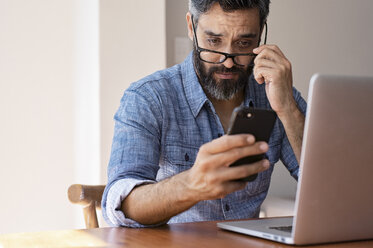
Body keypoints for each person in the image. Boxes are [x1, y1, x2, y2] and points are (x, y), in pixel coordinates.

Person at [102, 0, 306, 228]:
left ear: (261, 34)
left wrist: (287, 109)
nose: (228, 61)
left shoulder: (277, 94)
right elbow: (121, 205)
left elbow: (329, 187)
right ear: (191, 26)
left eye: (243, 43)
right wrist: (191, 185)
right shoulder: (148, 98)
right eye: (214, 41)